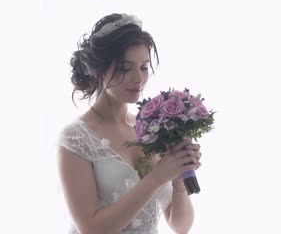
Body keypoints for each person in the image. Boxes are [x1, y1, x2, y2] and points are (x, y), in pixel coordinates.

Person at [57, 13, 202, 234]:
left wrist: (179, 172)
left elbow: (180, 226)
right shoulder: (75, 139)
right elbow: (91, 229)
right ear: (98, 71)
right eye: (126, 68)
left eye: (143, 67)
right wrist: (157, 177)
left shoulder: (151, 130)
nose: (138, 78)